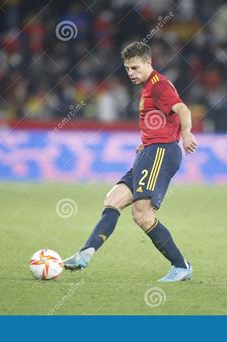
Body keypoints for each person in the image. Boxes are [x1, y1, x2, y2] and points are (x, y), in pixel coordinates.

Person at [63, 42, 198, 282]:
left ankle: (181, 266)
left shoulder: (159, 86)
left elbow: (182, 109)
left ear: (149, 63)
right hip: (150, 150)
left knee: (142, 214)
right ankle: (85, 253)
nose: (131, 73)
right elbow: (160, 119)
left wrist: (186, 132)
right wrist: (146, 141)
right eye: (127, 69)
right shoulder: (148, 87)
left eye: (135, 68)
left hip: (161, 152)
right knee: (112, 200)